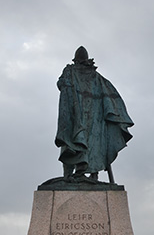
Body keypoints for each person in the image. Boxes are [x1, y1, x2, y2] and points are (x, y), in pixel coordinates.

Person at [55, 46, 134, 182]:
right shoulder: (78, 73)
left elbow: (61, 84)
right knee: (79, 143)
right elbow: (62, 84)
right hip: (82, 116)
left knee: (83, 143)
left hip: (87, 116)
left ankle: (85, 175)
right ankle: (82, 175)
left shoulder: (84, 74)